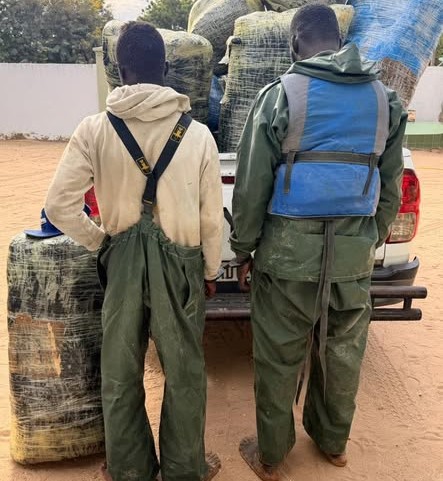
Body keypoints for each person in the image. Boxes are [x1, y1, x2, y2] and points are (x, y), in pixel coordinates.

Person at [230, 4, 406, 480]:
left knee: (278, 356)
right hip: (352, 255)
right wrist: (368, 238)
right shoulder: (384, 99)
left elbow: (251, 184)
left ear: (295, 43)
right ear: (340, 41)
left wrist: (244, 249)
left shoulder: (280, 95)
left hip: (287, 257)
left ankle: (271, 456)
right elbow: (389, 186)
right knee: (342, 353)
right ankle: (334, 445)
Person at [45, 21, 224, 481]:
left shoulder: (94, 130)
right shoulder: (197, 134)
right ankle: (184, 470)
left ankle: (130, 469)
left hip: (121, 265)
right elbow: (210, 219)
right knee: (184, 373)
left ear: (119, 71)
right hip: (180, 269)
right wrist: (209, 270)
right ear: (165, 68)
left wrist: (101, 242)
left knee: (121, 372)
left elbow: (58, 207)